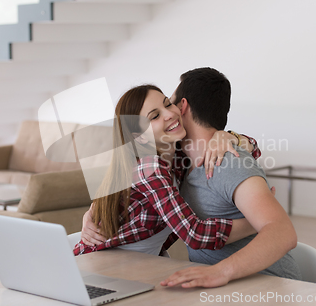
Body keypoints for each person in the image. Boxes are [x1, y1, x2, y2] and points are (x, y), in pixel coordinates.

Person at [73, 84, 261, 256]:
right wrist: (259, 222)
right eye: (154, 116)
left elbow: (254, 148)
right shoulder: (149, 167)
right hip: (103, 261)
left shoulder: (178, 155)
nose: (170, 114)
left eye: (168, 104)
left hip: (142, 261)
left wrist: (228, 137)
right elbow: (194, 234)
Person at [159, 67, 301, 288]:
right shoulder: (182, 163)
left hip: (270, 291)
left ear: (182, 106)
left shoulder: (228, 162)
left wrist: (220, 272)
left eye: (169, 103)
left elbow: (283, 232)